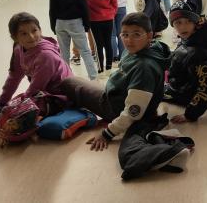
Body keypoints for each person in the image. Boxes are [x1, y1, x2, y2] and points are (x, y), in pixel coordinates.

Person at [59, 12, 170, 151]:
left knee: (68, 83)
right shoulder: (146, 49)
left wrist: (107, 134)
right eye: (125, 34)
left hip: (114, 107)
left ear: (149, 36)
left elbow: (132, 113)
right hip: (118, 95)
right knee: (79, 82)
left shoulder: (144, 68)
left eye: (136, 34)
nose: (129, 40)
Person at [0, 12, 73, 106]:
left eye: (34, 31)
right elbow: (14, 77)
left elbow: (35, 89)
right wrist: (1, 102)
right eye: (24, 34)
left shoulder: (46, 56)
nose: (31, 37)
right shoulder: (18, 48)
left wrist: (18, 106)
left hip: (61, 97)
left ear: (40, 31)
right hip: (43, 93)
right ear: (15, 38)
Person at [165, 0, 207, 123]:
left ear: (196, 22)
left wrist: (190, 114)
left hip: (188, 96)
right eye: (178, 22)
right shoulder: (195, 37)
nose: (183, 27)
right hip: (187, 88)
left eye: (188, 21)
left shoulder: (199, 53)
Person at [49, 0, 97, 80]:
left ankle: (66, 79)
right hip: (76, 23)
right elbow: (84, 7)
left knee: (64, 54)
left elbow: (52, 9)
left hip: (60, 23)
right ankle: (93, 78)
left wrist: (53, 26)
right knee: (85, 51)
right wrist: (87, 24)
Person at [82, 0, 118, 74]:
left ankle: (100, 68)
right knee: (108, 42)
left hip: (93, 19)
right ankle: (109, 67)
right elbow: (114, 2)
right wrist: (111, 13)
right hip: (108, 18)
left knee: (98, 44)